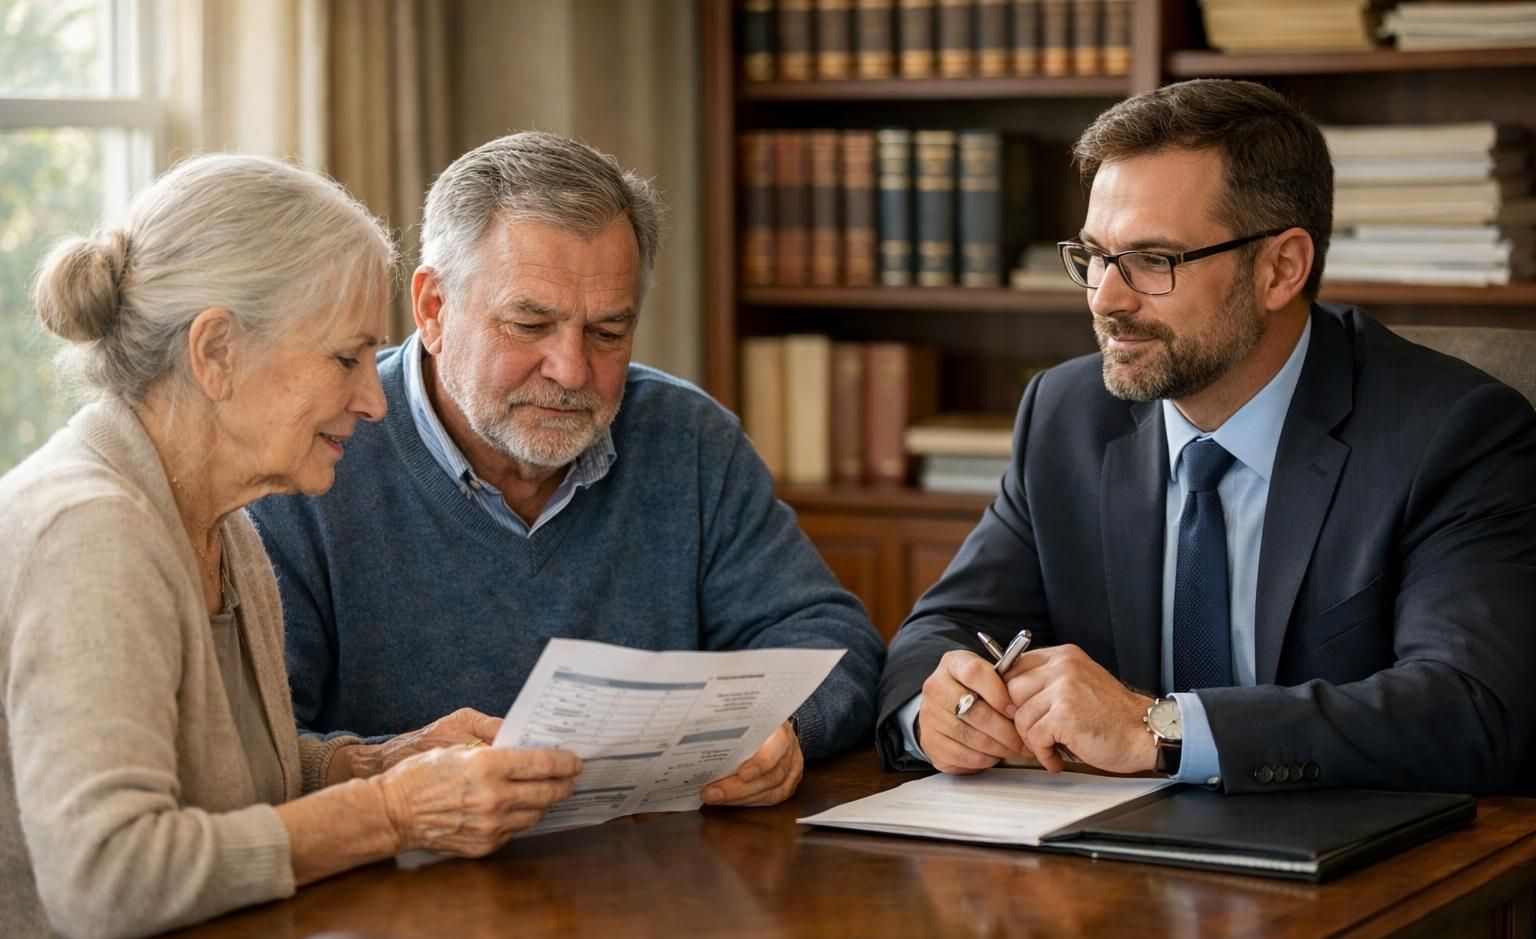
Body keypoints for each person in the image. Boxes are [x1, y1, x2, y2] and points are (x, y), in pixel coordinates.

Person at [0, 154, 584, 939]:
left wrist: (373, 762)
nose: (375, 400)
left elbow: (234, 786)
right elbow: (107, 879)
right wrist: (388, 812)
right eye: (346, 359)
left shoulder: (222, 525)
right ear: (216, 353)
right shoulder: (91, 533)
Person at [876, 79, 1536, 794]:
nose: (1105, 298)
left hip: (1346, 866)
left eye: (1153, 261)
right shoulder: (1067, 413)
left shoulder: (1453, 433)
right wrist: (938, 711)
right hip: (1098, 863)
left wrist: (1160, 728)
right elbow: (941, 631)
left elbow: (1471, 710)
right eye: (1095, 256)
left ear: (1281, 268)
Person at [249, 131, 882, 807]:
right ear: (433, 309)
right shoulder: (316, 457)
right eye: (530, 325)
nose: (573, 371)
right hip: (402, 886)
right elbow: (254, 747)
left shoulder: (686, 438)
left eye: (608, 333)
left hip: (658, 874)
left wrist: (785, 727)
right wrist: (382, 767)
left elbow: (833, 643)